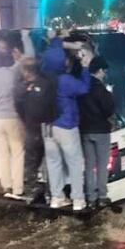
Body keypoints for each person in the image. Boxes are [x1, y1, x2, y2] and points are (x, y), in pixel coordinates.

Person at [43, 38, 92, 211]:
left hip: (47, 127)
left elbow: (53, 48)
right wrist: (85, 66)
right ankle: (78, 200)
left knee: (53, 163)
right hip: (66, 126)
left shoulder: (43, 78)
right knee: (75, 163)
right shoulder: (65, 80)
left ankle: (56, 198)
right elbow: (84, 88)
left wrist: (64, 42)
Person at [0, 48, 27, 200]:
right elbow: (20, 93)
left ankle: (6, 185)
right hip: (13, 117)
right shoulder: (12, 74)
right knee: (18, 152)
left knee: (3, 154)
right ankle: (18, 188)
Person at [79, 56, 115, 207]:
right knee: (101, 165)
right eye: (104, 71)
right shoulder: (101, 89)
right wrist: (110, 93)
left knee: (89, 165)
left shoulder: (82, 86)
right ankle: (101, 197)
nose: (104, 74)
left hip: (85, 130)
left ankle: (90, 198)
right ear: (99, 70)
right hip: (101, 131)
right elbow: (109, 109)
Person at [18, 58, 56, 202]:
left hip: (34, 127)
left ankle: (32, 191)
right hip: (44, 127)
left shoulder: (25, 87)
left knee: (32, 161)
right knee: (47, 160)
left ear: (27, 72)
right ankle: (49, 192)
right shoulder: (46, 84)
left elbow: (18, 105)